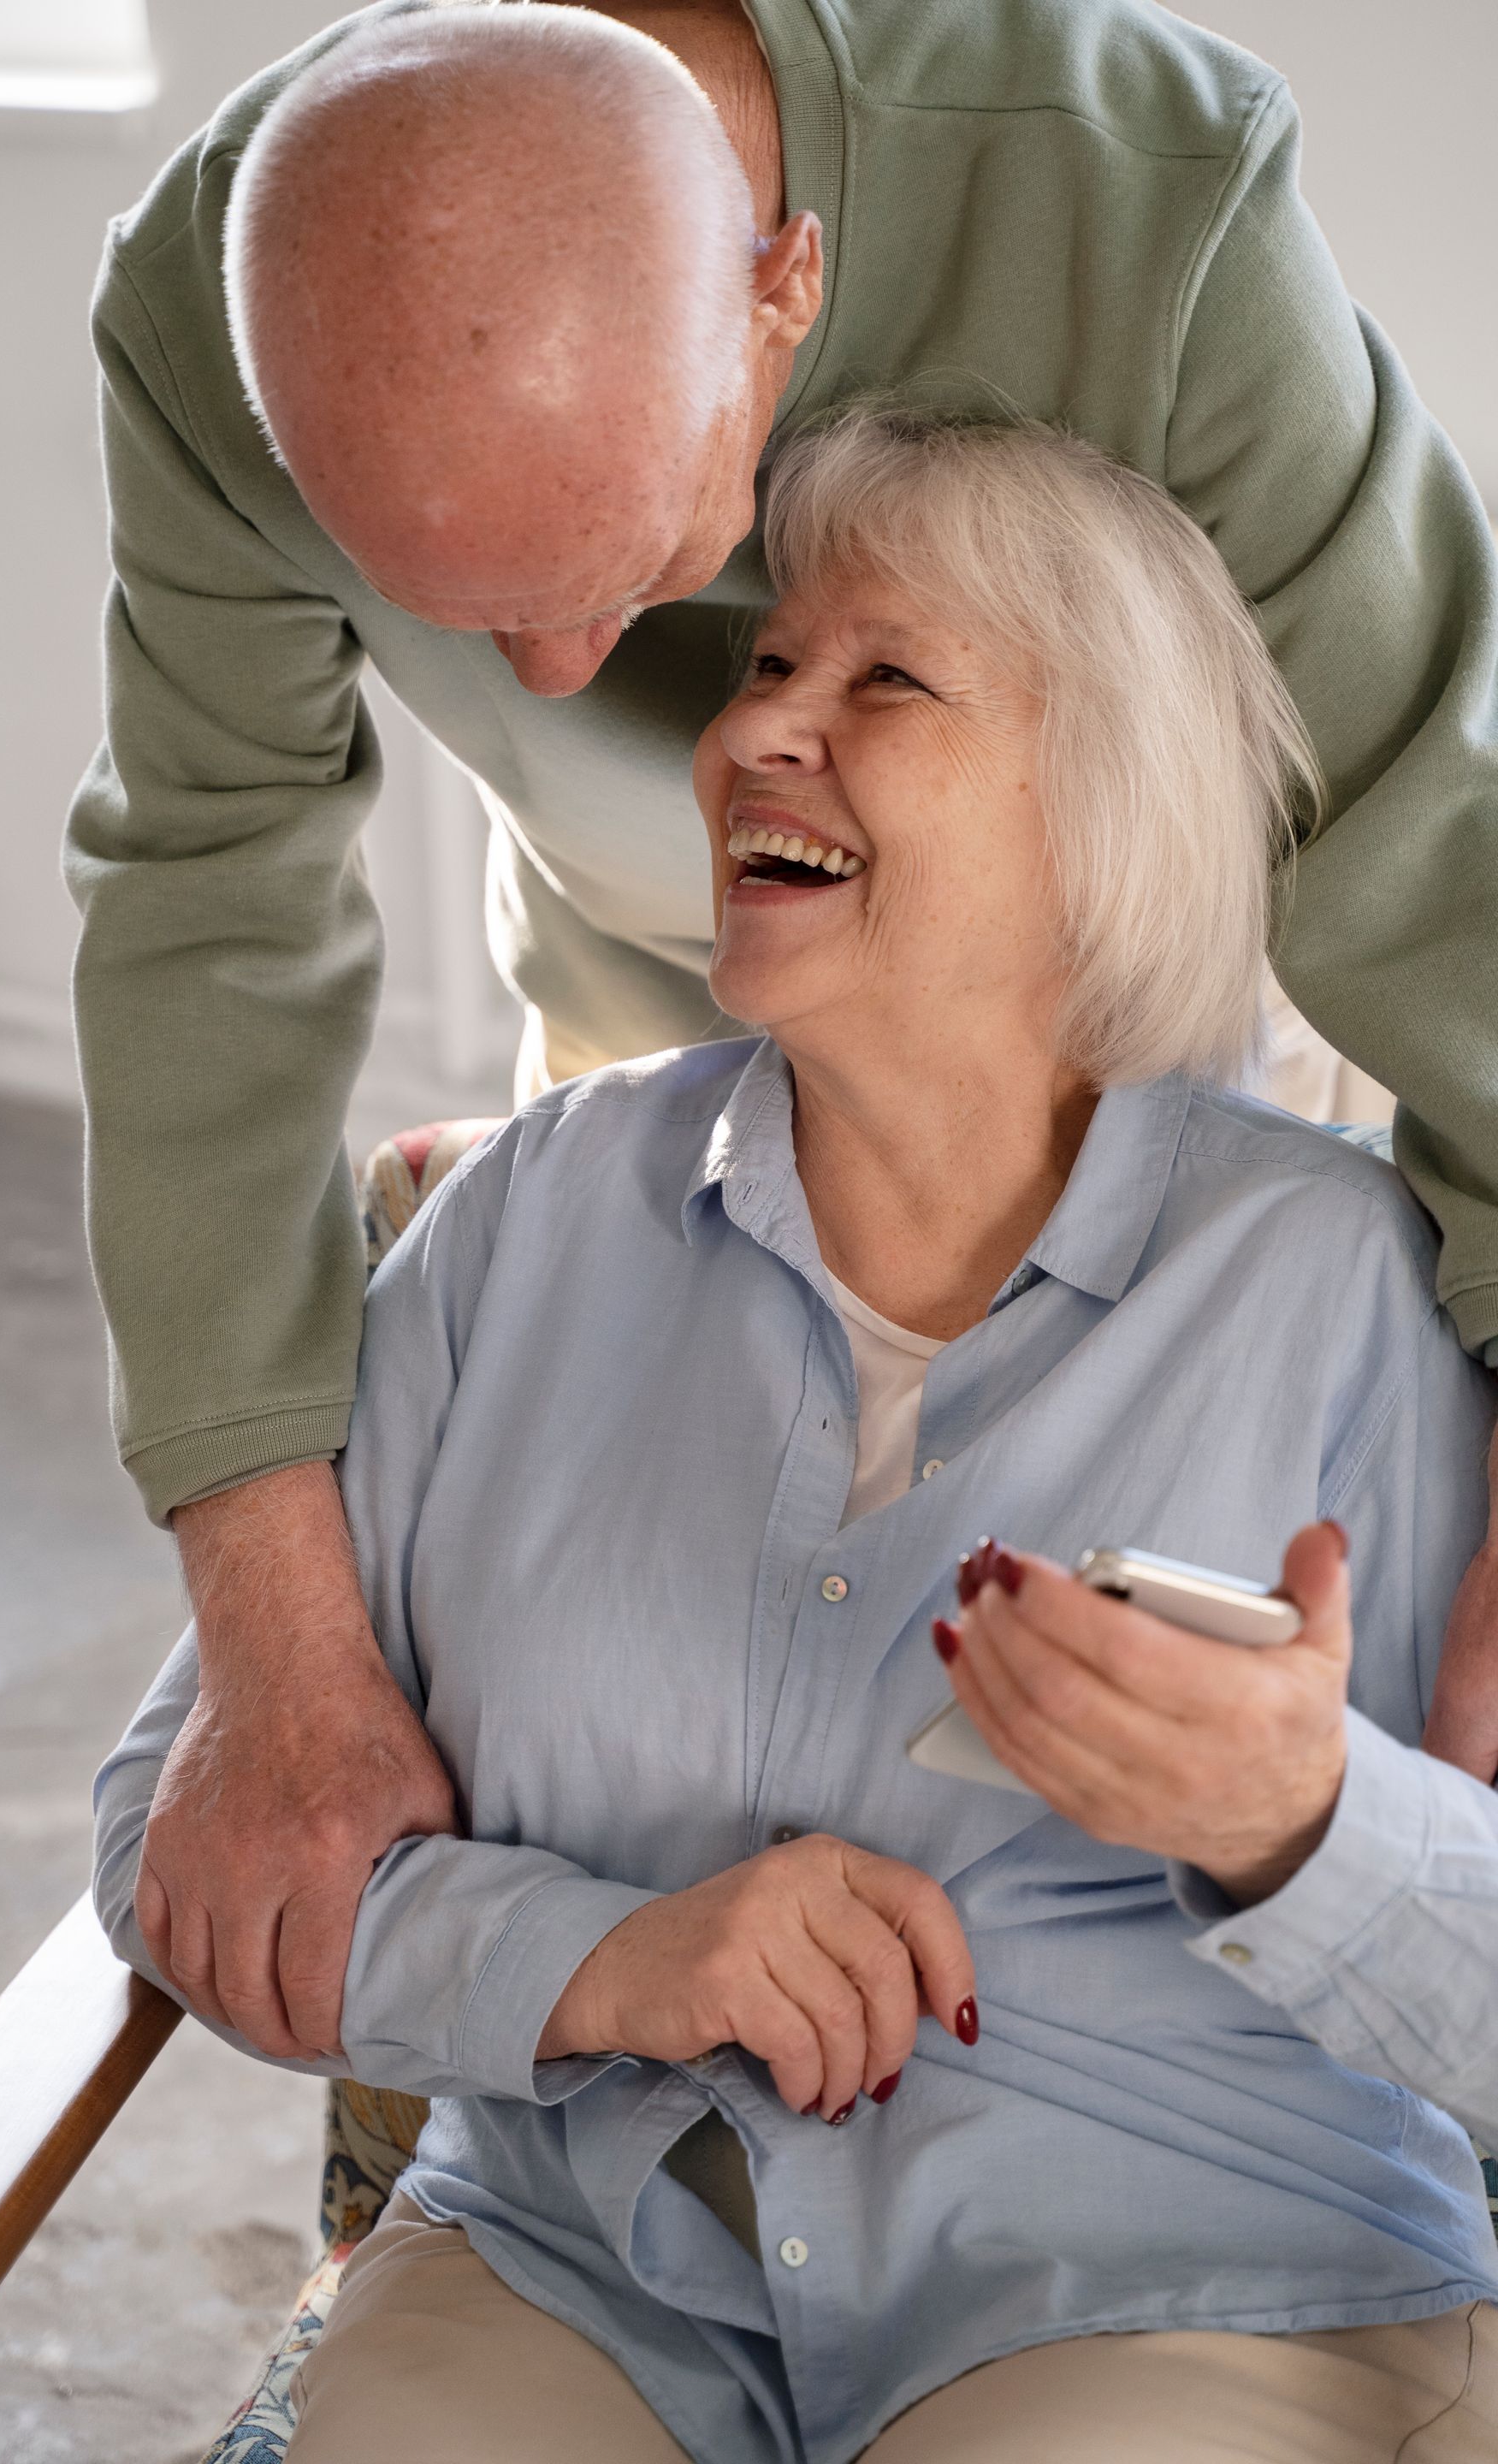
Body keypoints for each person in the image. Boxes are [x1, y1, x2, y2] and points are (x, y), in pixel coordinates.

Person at [70, 0, 1498, 2072]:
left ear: (786, 288)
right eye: (448, 604)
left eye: (643, 569)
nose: (582, 686)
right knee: (614, 1705)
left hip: (1107, 1035)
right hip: (646, 1043)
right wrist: (291, 1676)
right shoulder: (219, 316)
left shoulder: (1147, 203)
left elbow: (1448, 873)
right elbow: (206, 900)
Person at [96, 414, 1498, 2463]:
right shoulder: (524, 1227)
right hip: (572, 2267)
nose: (762, 731)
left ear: (1102, 806)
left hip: (1186, 2288)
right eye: (768, 664)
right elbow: (180, 1836)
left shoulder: (1360, 1286)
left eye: (886, 679)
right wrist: (602, 1965)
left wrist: (1309, 1821)